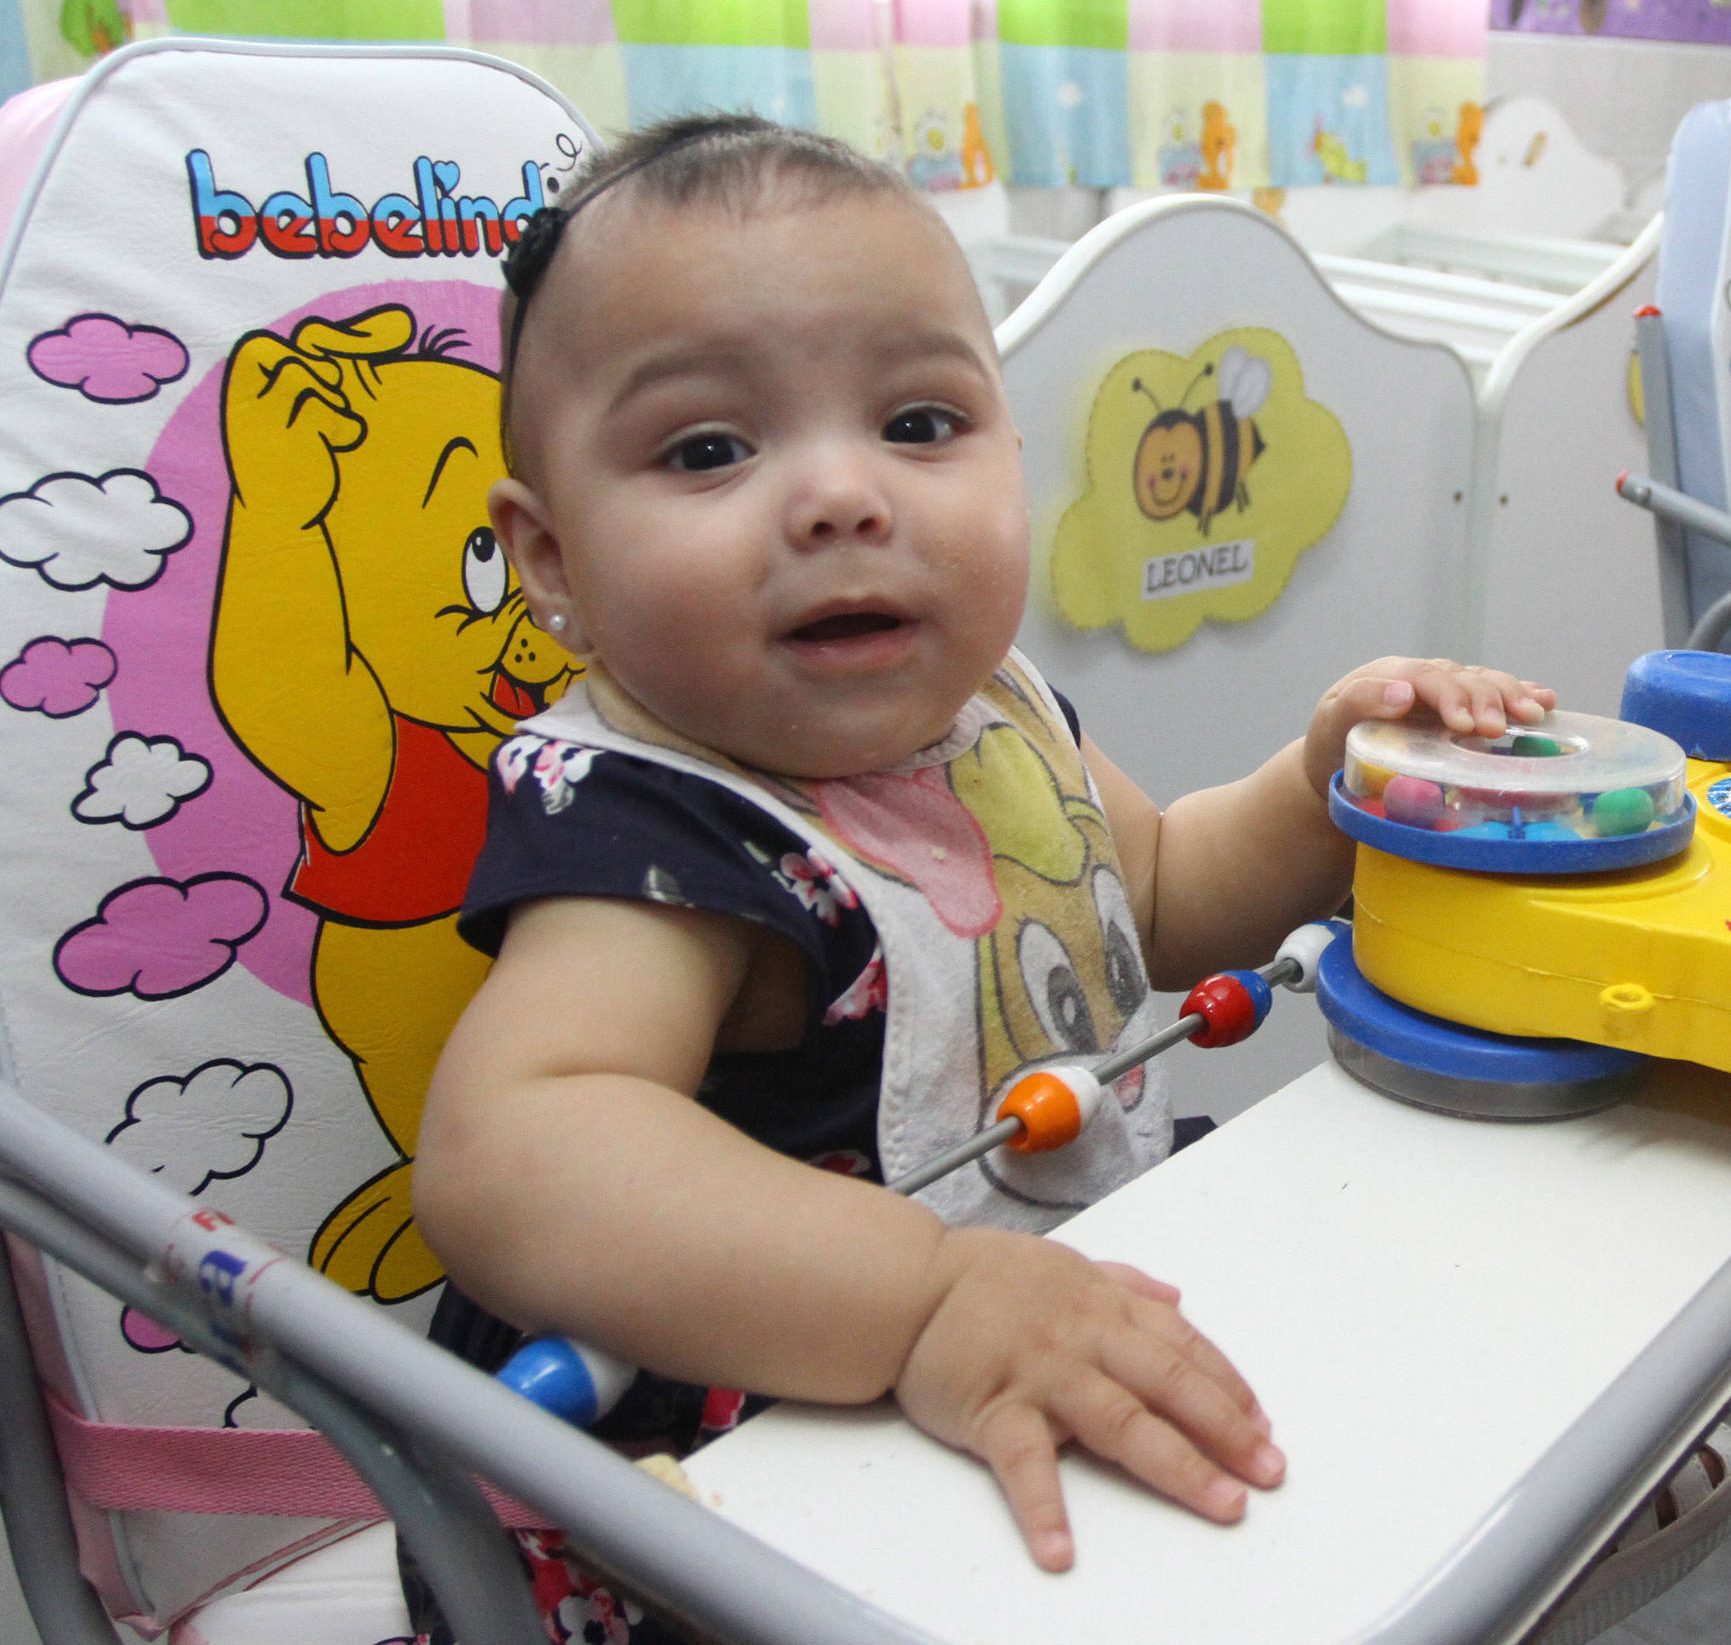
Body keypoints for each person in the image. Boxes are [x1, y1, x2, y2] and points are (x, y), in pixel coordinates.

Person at [406, 115, 1564, 1629]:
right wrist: (925, 1297)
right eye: (707, 449)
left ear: (1009, 451)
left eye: (917, 424)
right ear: (550, 563)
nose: (841, 497)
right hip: (758, 1457)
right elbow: (516, 1148)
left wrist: (1318, 788)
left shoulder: (987, 714)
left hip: (1036, 1313)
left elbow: (1148, 894)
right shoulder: (656, 830)